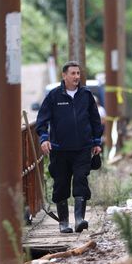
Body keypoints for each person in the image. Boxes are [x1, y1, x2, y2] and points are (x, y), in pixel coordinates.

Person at [36, 61, 103, 233]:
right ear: (64, 76)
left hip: (82, 148)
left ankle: (80, 219)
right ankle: (64, 222)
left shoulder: (86, 95)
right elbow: (41, 121)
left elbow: (95, 120)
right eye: (72, 73)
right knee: (61, 184)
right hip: (59, 150)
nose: (76, 77)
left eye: (78, 74)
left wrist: (96, 142)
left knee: (81, 180)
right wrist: (44, 139)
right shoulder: (54, 96)